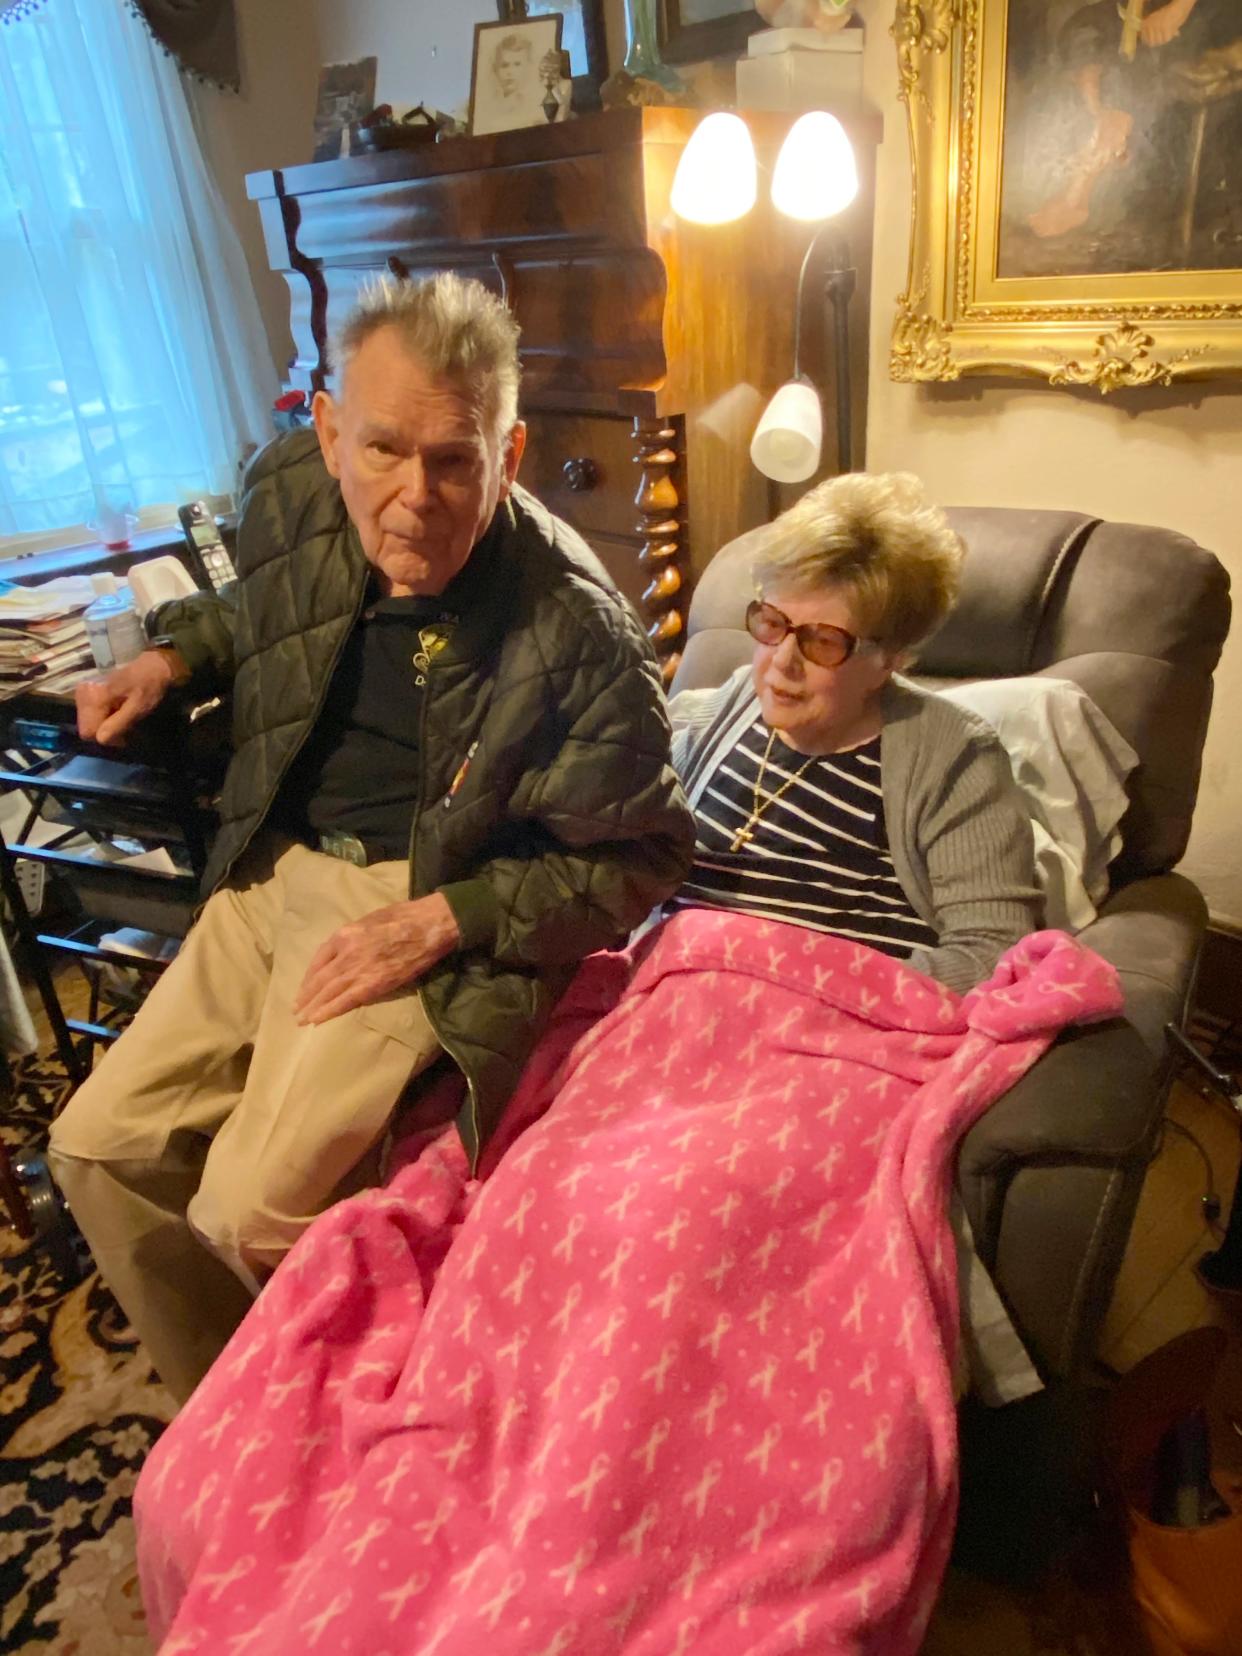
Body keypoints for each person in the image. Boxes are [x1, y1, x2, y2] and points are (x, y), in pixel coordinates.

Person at [46, 271, 695, 1405]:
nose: (415, 497)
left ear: (513, 452)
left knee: (241, 1212)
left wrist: (451, 918)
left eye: (457, 460)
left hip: (415, 889)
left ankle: (346, 1411)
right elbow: (264, 608)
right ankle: (231, 1416)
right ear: (329, 430)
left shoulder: (584, 632)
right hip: (267, 862)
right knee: (92, 1150)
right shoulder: (291, 489)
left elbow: (641, 858)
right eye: (384, 449)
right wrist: (172, 656)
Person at [666, 470, 1042, 992]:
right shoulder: (720, 711)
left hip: (834, 1041)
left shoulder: (953, 760)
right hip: (667, 1014)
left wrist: (808, 993)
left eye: (823, 642)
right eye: (772, 622)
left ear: (891, 658)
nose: (782, 662)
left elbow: (993, 954)